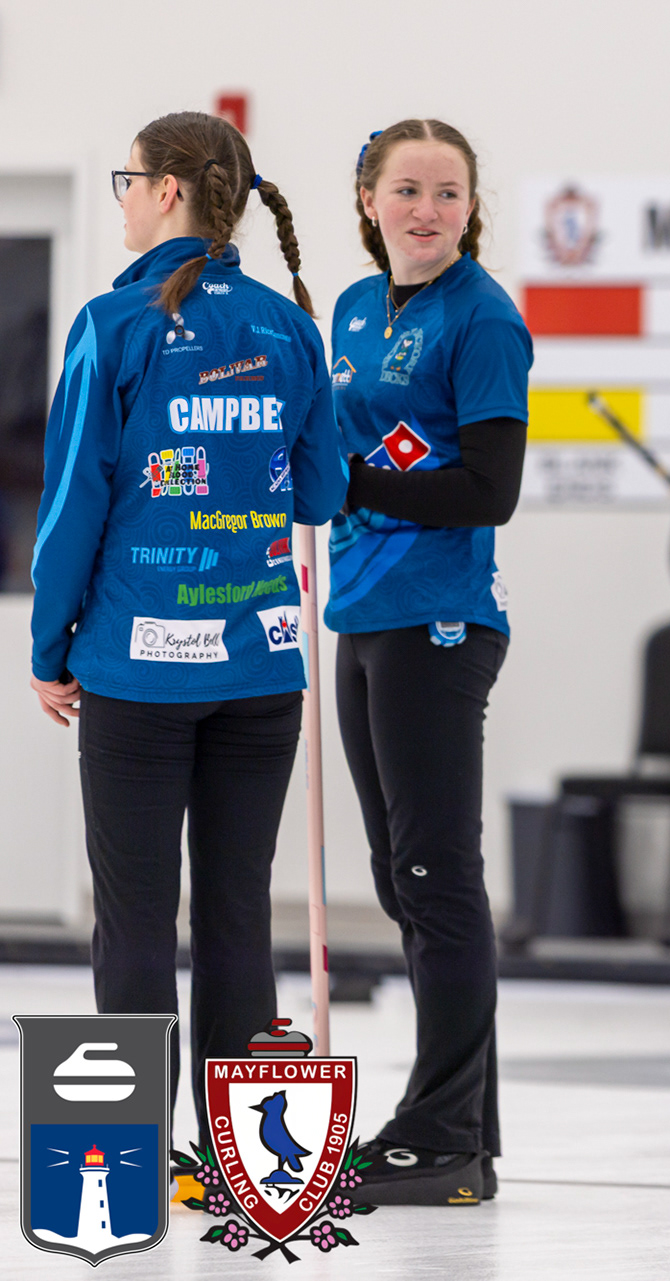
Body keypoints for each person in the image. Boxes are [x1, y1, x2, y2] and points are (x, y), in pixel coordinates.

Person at [27, 111, 342, 1151]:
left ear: (167, 191)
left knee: (134, 917)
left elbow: (71, 506)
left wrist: (48, 649)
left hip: (137, 671)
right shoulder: (290, 327)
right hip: (262, 667)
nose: (123, 199)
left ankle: (129, 1156)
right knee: (237, 911)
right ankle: (244, 1160)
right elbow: (323, 493)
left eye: (128, 180)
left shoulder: (112, 326)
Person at [327, 119, 531, 1205]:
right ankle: (468, 1135)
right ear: (370, 201)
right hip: (363, 612)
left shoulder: (482, 318)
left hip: (439, 620)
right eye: (407, 190)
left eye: (447, 192)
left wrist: (350, 484)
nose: (427, 210)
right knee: (399, 877)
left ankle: (439, 1134)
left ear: (470, 207)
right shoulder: (355, 309)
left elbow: (488, 490)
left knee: (434, 877)